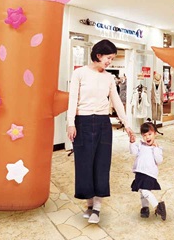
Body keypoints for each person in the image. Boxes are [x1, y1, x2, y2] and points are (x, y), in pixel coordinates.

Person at [67, 39, 134, 224]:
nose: (110, 62)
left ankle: (97, 207)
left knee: (102, 164)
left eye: (112, 59)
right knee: (84, 164)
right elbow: (72, 99)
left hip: (103, 123)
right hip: (82, 122)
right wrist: (71, 123)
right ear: (98, 55)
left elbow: (116, 101)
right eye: (108, 58)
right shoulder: (79, 73)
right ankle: (89, 204)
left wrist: (127, 124)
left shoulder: (109, 77)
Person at [130, 121, 166, 220]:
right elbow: (133, 152)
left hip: (149, 174)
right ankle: (145, 208)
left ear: (155, 134)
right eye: (144, 135)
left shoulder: (157, 148)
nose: (147, 137)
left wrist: (156, 149)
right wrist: (132, 142)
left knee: (145, 191)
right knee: (142, 192)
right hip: (139, 172)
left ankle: (158, 206)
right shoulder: (140, 145)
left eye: (150, 134)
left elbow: (159, 160)